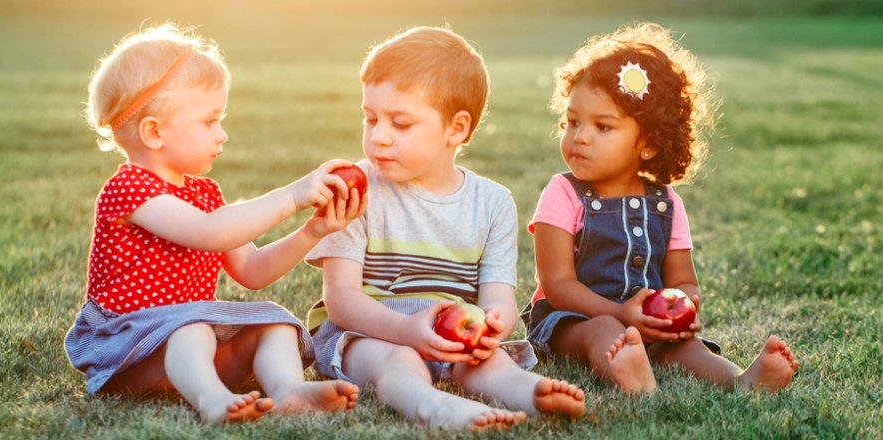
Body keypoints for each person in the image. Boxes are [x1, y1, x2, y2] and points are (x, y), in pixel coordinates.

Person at [64, 23, 363, 424]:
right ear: (154, 132)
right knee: (194, 328)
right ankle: (211, 400)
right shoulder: (129, 188)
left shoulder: (205, 194)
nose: (222, 135)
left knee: (272, 322)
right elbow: (210, 232)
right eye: (209, 121)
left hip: (189, 347)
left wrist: (312, 231)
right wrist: (292, 196)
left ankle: (288, 390)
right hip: (126, 352)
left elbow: (253, 272)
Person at [305, 26, 586, 431]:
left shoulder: (492, 203)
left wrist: (493, 326)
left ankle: (530, 391)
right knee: (396, 362)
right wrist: (404, 330)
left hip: (454, 336)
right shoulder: (356, 190)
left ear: (455, 128)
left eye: (400, 123)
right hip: (371, 332)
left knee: (490, 363)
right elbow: (342, 299)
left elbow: (499, 299)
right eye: (371, 119)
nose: (379, 137)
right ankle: (430, 405)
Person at [521, 22, 799, 394]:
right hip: (572, 321)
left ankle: (742, 380)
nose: (580, 137)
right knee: (604, 332)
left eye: (603, 127)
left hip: (648, 324)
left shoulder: (666, 203)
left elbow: (683, 280)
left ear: (648, 143)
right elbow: (558, 286)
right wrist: (619, 314)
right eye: (572, 122)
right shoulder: (563, 193)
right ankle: (632, 377)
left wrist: (683, 305)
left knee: (685, 347)